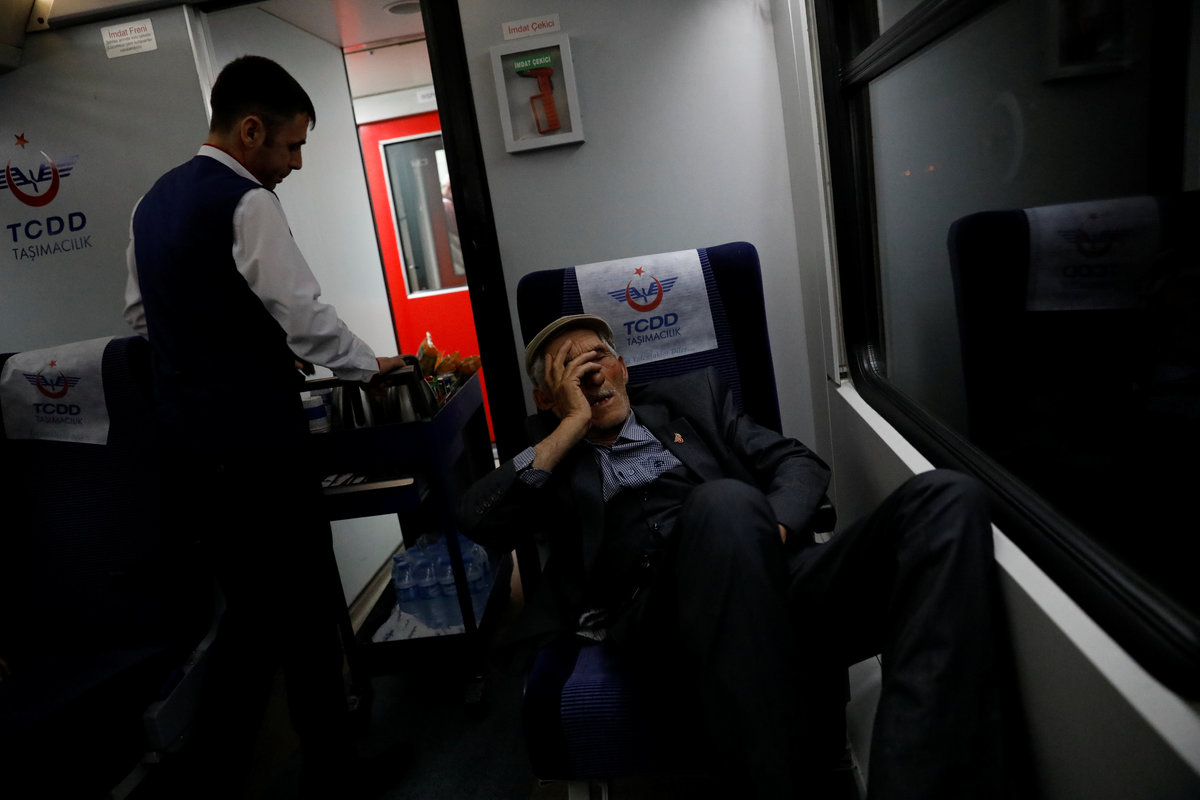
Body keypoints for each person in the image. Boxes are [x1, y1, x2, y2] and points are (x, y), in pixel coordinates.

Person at [458, 314, 1011, 799]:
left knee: (946, 498)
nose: (590, 373)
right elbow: (478, 520)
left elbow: (797, 463)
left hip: (769, 570)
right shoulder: (548, 457)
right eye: (568, 368)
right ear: (548, 398)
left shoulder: (692, 400)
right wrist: (571, 425)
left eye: (598, 356)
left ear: (623, 367)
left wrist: (771, 528)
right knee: (723, 504)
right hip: (663, 616)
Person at [123, 55, 404, 797]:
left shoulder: (151, 203)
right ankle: (320, 775)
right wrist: (370, 365)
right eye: (292, 145)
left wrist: (234, 344)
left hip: (192, 453)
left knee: (252, 616)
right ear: (251, 131)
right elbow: (307, 319)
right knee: (301, 614)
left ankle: (223, 774)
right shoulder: (247, 202)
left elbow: (143, 314)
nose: (296, 163)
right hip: (259, 450)